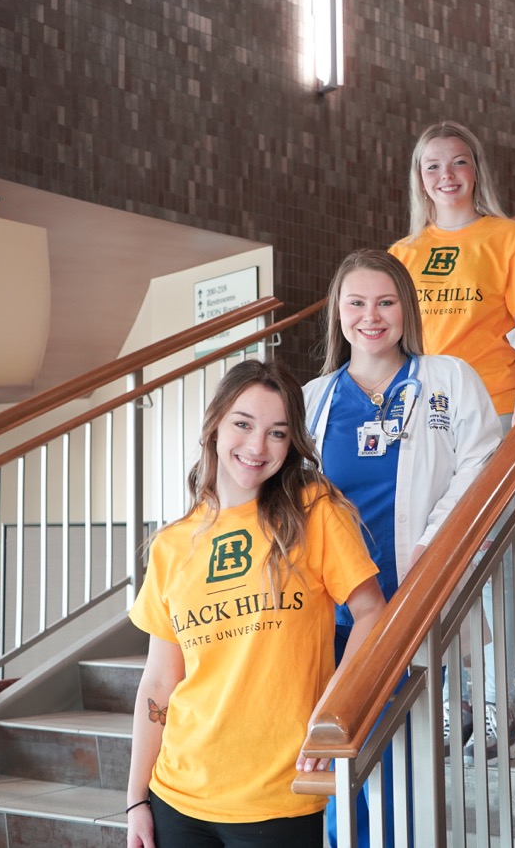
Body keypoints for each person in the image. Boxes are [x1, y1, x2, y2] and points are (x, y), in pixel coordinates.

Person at [126, 359, 386, 848]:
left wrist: (333, 709)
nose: (256, 447)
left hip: (279, 794)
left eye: (277, 433)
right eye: (243, 424)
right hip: (177, 794)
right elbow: (159, 681)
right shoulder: (173, 544)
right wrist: (137, 797)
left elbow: (372, 611)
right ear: (215, 425)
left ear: (291, 445)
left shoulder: (315, 513)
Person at [304, 249, 503, 844]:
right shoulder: (314, 398)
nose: (372, 316)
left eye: (386, 301)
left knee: (399, 756)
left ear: (406, 309)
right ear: (338, 313)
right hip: (331, 607)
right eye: (357, 302)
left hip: (410, 597)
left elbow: (484, 462)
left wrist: (432, 538)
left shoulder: (447, 377)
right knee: (339, 753)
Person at [388, 120, 515, 428]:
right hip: (423, 410)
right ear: (419, 179)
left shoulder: (510, 237)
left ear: (476, 170)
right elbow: (390, 344)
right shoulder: (401, 254)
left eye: (459, 162)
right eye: (432, 166)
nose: (446, 175)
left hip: (495, 404)